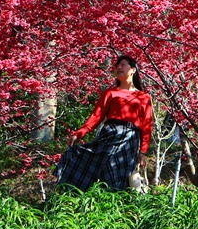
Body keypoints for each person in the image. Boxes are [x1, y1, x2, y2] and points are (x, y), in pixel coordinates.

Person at [55, 56, 153, 191]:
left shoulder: (144, 97)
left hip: (130, 139)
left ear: (133, 70)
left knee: (120, 170)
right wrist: (79, 133)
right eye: (117, 65)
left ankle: (118, 203)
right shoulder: (110, 93)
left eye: (123, 65)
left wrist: (143, 151)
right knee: (102, 165)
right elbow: (96, 116)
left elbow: (147, 125)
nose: (119, 68)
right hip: (110, 134)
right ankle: (90, 197)